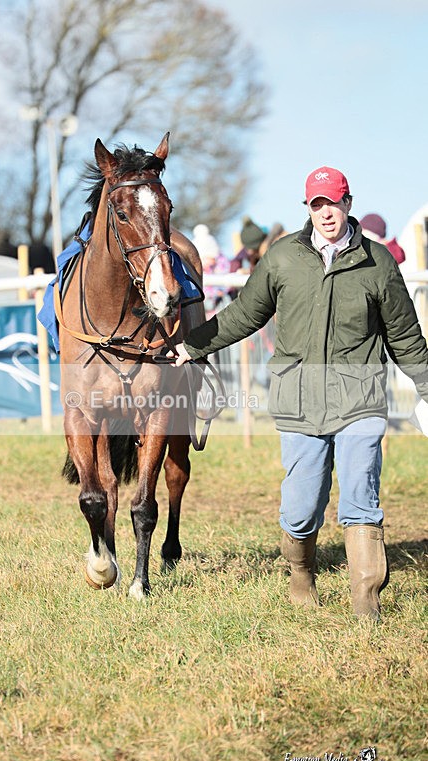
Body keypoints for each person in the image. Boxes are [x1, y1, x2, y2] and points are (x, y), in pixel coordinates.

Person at [174, 166, 428, 620]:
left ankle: (366, 603)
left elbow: (404, 335)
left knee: (360, 499)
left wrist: (426, 386)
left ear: (348, 203)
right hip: (298, 402)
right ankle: (301, 573)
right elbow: (244, 314)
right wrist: (194, 346)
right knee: (300, 506)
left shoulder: (378, 262)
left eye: (333, 203)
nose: (326, 213)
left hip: (360, 402)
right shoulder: (283, 257)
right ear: (307, 208)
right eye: (317, 204)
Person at [191, 223, 231, 318]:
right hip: (203, 302)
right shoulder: (197, 268)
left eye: (211, 258)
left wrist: (220, 291)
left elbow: (225, 277)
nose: (208, 262)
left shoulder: (220, 262)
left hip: (218, 302)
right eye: (205, 259)